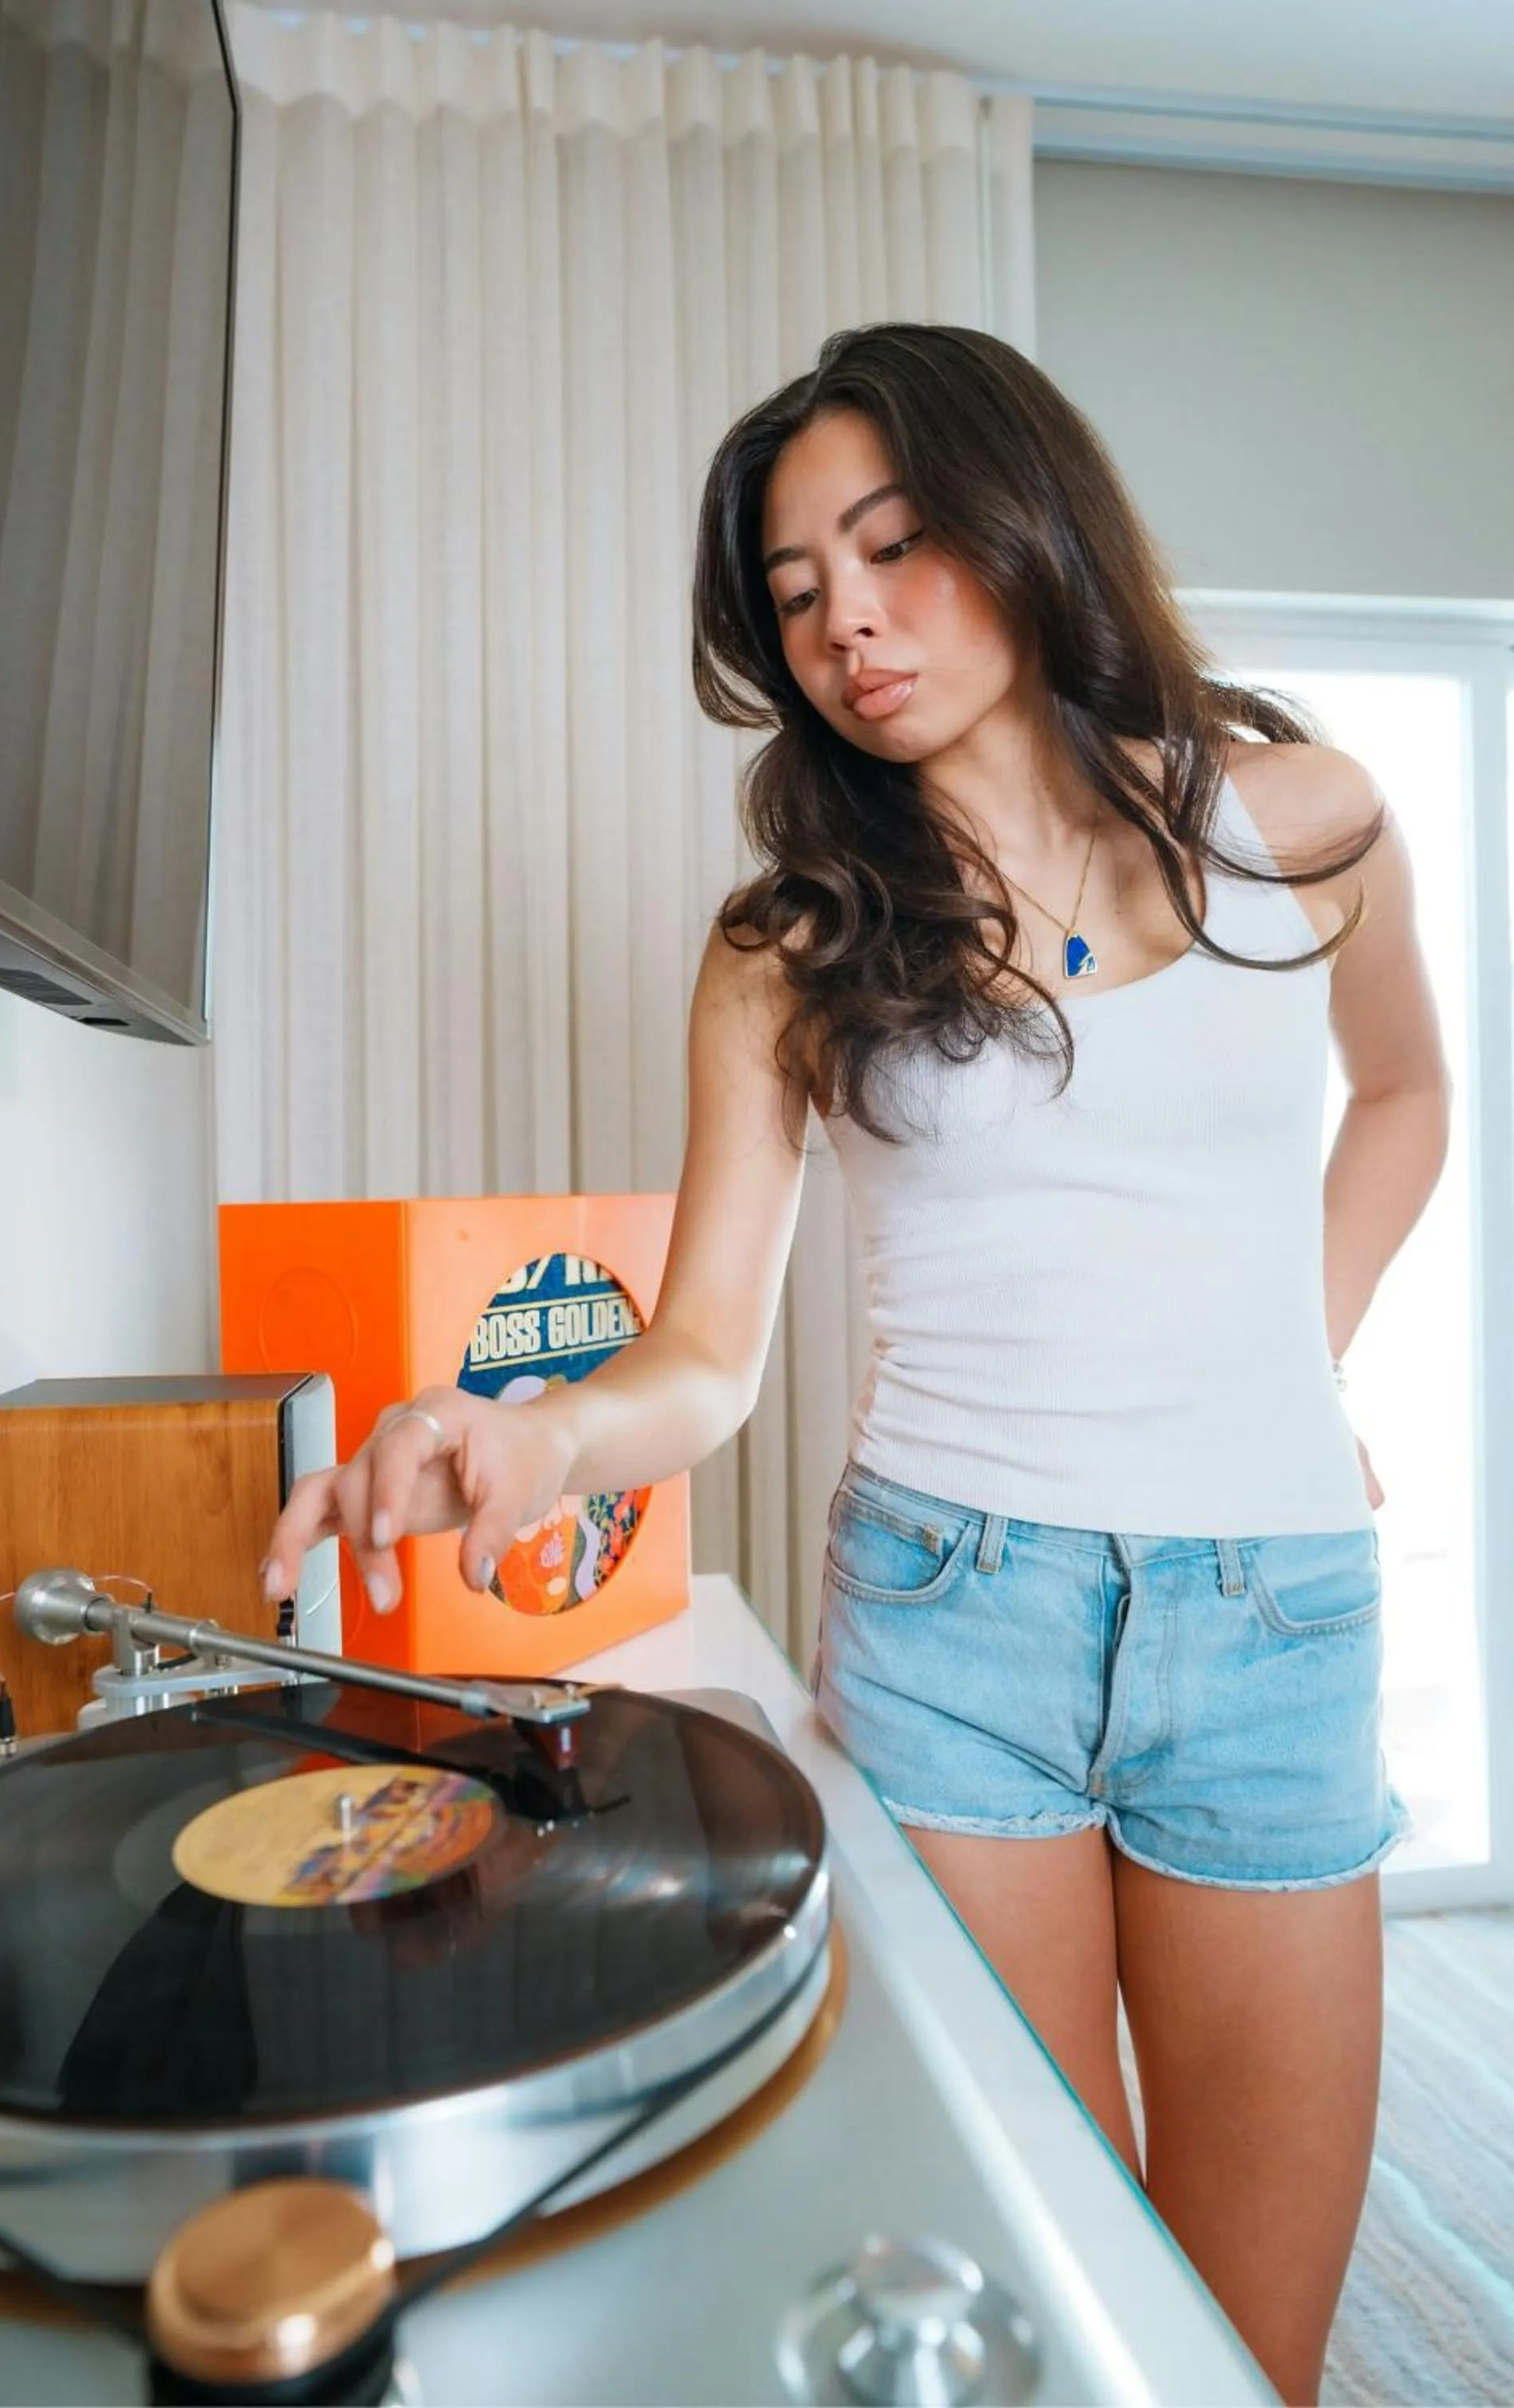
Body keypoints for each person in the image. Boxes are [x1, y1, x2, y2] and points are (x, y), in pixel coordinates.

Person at [260, 323, 1452, 2405]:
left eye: (892, 549)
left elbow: (1410, 1100)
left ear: (1027, 518)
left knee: (1248, 2359)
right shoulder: (792, 940)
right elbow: (702, 1355)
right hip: (950, 1617)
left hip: (1274, 1618)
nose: (850, 625)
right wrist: (522, 1443)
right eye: (798, 591)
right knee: (1040, 2280)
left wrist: (1302, 1359)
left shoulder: (1308, 820)